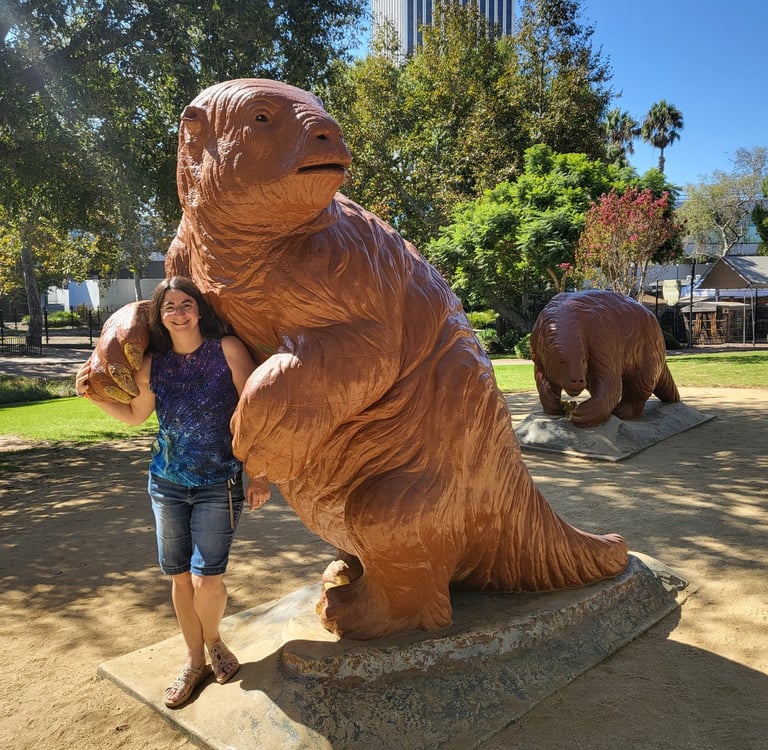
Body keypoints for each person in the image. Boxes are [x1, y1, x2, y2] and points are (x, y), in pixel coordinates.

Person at [76, 276, 270, 708]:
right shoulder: (153, 365)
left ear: (199, 310)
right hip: (166, 483)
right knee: (179, 576)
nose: (179, 312)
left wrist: (259, 475)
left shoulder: (229, 351)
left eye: (186, 304)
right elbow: (136, 415)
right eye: (170, 307)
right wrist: (91, 395)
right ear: (160, 316)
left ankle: (215, 642)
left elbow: (255, 415)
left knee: (208, 577)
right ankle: (192, 659)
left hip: (219, 483)